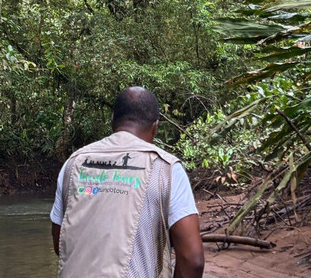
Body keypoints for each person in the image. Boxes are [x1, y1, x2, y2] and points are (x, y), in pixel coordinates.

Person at [50, 87, 205, 278]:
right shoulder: (166, 169)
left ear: (112, 121)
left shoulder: (73, 164)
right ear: (155, 126)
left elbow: (61, 244)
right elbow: (193, 260)